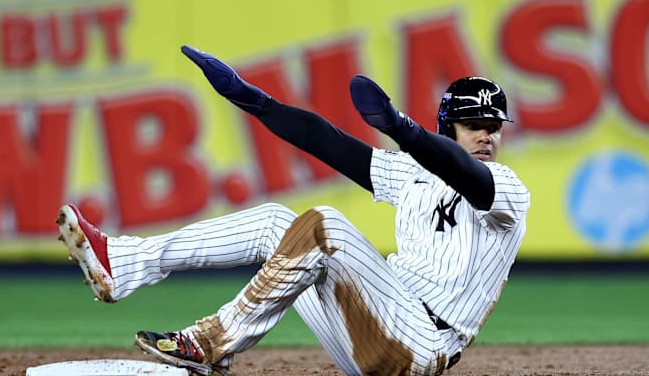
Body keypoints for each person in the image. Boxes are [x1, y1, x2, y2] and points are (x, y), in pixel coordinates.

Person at [56, 45, 530, 376]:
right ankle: (125, 262)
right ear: (448, 125)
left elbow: (465, 174)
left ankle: (209, 343)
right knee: (277, 223)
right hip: (371, 326)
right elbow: (330, 143)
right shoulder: (412, 175)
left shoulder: (507, 189)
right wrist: (256, 102)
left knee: (324, 224)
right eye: (474, 124)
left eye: (494, 126)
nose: (487, 135)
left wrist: (404, 129)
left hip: (422, 345)